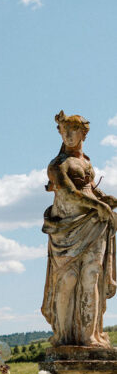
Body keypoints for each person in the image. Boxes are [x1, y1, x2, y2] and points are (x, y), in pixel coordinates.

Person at [41, 111, 117, 348]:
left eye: (73, 130)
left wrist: (105, 198)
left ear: (84, 133)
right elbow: (69, 193)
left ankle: (89, 336)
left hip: (93, 222)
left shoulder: (86, 161)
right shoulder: (57, 165)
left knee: (92, 276)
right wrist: (99, 205)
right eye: (64, 130)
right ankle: (64, 337)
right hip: (68, 226)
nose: (68, 134)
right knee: (68, 279)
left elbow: (89, 187)